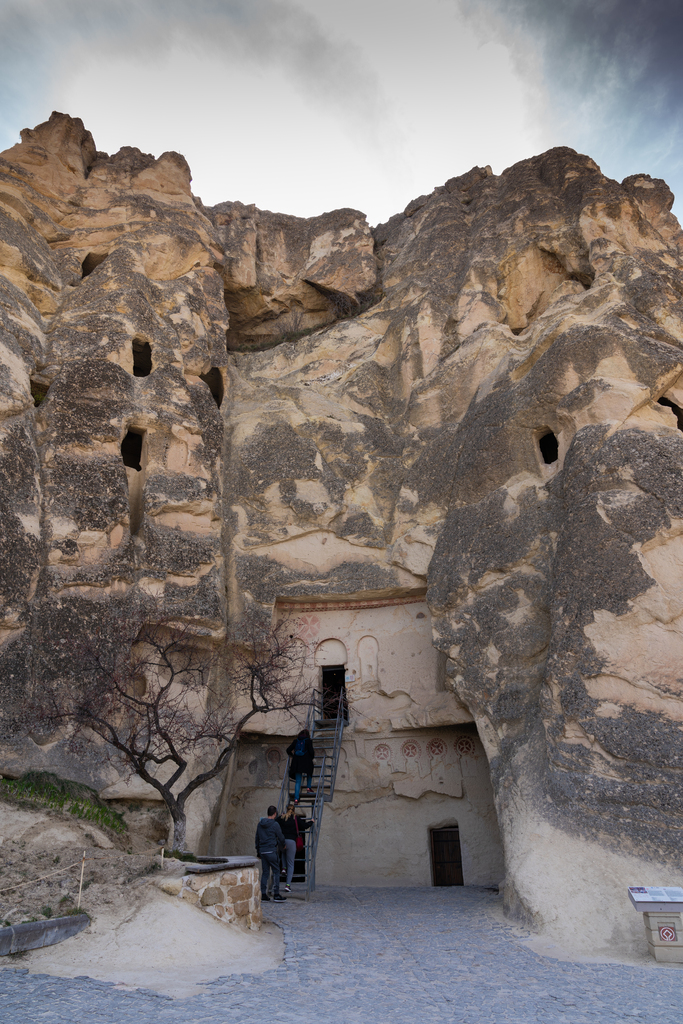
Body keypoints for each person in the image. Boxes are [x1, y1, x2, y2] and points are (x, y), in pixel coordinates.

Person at [276, 803, 313, 892]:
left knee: (283, 852)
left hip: (282, 842)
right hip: (291, 842)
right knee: (291, 864)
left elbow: (275, 821)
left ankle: (283, 868)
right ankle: (287, 885)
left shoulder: (282, 818)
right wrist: (311, 821)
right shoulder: (296, 818)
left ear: (286, 809)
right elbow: (305, 826)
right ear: (294, 810)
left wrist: (281, 816)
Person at [255, 805, 287, 902]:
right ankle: (276, 894)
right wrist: (284, 844)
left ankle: (263, 894)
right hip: (271, 851)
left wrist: (258, 852)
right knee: (276, 871)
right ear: (275, 814)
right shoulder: (275, 824)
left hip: (263, 851)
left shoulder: (260, 824)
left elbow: (257, 839)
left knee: (265, 873)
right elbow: (280, 836)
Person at [286, 728, 315, 803]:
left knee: (298, 781)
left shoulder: (296, 741)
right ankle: (308, 788)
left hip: (296, 763)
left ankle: (296, 799)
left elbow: (288, 750)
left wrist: (292, 756)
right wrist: (310, 757)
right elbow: (311, 752)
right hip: (307, 762)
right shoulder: (308, 741)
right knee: (309, 772)